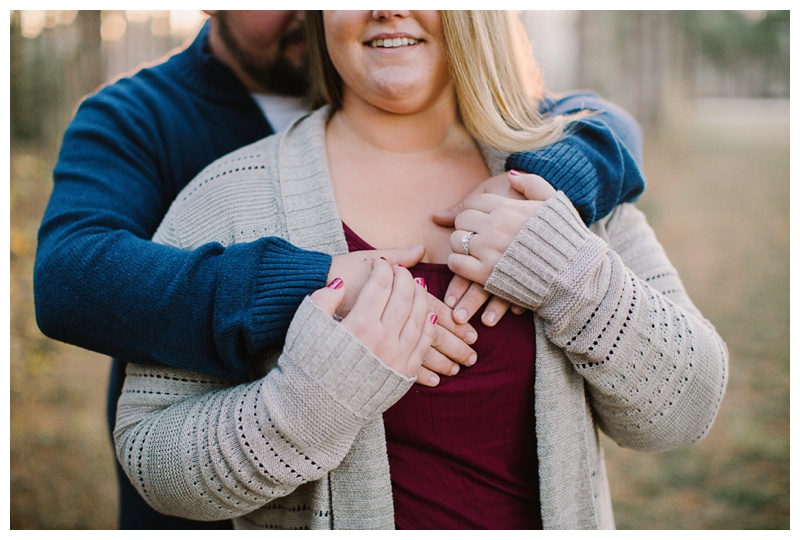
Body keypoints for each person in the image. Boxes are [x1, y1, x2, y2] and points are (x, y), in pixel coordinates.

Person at [112, 10, 728, 530]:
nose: (386, 7)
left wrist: (572, 278)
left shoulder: (561, 180)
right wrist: (308, 402)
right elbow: (148, 455)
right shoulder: (230, 196)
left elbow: (686, 407)